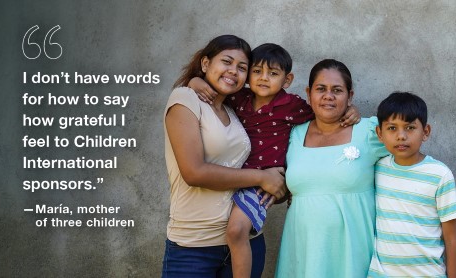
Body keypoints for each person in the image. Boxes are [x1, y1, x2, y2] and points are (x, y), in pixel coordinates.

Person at [190, 47, 360, 277]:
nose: (263, 78)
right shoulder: (240, 98)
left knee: (236, 230)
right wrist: (195, 82)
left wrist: (351, 111)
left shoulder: (292, 106)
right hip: (235, 177)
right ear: (248, 74)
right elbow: (212, 88)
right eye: (257, 71)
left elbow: (326, 111)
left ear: (287, 80)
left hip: (261, 183)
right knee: (220, 227)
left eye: (272, 73)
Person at [163, 35, 287, 278]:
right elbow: (193, 172)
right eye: (226, 62)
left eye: (242, 68)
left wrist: (278, 188)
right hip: (194, 246)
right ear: (206, 63)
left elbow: (262, 159)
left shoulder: (236, 109)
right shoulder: (185, 98)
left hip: (247, 242)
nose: (233, 71)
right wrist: (262, 178)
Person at [275, 59, 388, 277]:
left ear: (350, 96)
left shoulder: (369, 131)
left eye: (337, 90)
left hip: (353, 251)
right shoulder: (293, 134)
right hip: (303, 249)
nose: (328, 96)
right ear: (309, 94)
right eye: (321, 89)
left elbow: (406, 149)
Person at [368, 92, 456, 277]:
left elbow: (452, 239)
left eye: (410, 128)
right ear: (380, 133)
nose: (401, 136)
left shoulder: (440, 175)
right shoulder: (376, 169)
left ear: (425, 132)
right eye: (392, 128)